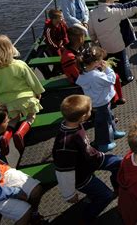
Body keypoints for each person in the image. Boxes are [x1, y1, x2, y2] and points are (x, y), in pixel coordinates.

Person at [53, 95, 121, 224]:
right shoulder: (65, 144)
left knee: (119, 163)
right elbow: (63, 171)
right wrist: (69, 194)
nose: (92, 110)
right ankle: (86, 218)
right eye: (90, 110)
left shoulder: (74, 123)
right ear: (84, 116)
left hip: (91, 159)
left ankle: (118, 187)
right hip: (81, 176)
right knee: (105, 196)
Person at [0, 30, 45, 155]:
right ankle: (20, 133)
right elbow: (33, 81)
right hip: (26, 98)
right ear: (10, 48)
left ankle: (6, 137)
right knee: (31, 116)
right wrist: (38, 93)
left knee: (13, 119)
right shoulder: (20, 64)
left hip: (6, 103)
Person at [88, 0, 137, 84]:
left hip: (104, 46)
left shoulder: (92, 13)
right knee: (122, 63)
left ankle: (110, 78)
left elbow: (91, 30)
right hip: (118, 45)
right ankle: (126, 78)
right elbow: (130, 8)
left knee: (108, 64)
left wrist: (93, 40)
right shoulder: (114, 10)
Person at [75, 46, 126, 152]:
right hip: (102, 102)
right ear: (95, 62)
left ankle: (113, 132)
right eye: (101, 60)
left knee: (109, 117)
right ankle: (104, 143)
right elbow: (111, 80)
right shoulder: (95, 76)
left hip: (97, 102)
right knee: (103, 124)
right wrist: (107, 68)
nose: (102, 61)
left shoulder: (84, 73)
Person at [61, 26, 125, 105]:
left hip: (86, 72)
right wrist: (98, 70)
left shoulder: (77, 48)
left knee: (113, 75)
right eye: (83, 36)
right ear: (79, 39)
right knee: (111, 77)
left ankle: (117, 97)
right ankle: (112, 100)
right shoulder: (69, 56)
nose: (85, 38)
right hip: (80, 79)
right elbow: (77, 75)